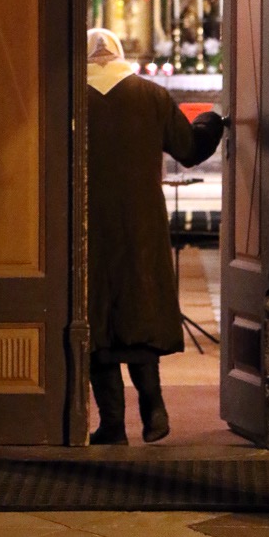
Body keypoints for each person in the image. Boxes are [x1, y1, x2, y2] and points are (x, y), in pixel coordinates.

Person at [86, 28, 224, 444]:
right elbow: (188, 148)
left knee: (94, 319)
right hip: (140, 223)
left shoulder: (71, 96)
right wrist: (210, 122)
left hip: (87, 223)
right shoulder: (150, 96)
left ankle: (112, 425)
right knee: (139, 309)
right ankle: (154, 409)